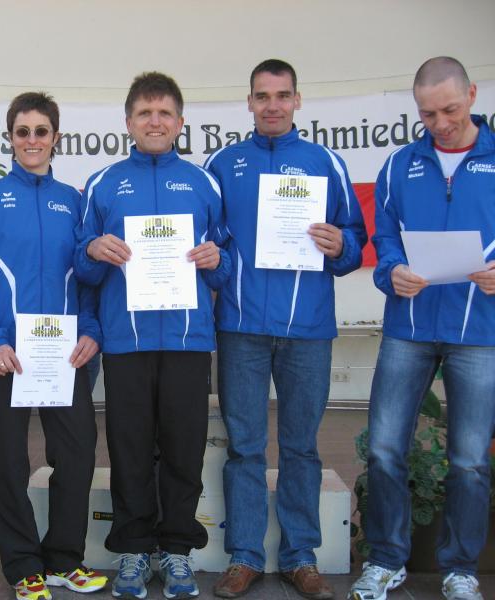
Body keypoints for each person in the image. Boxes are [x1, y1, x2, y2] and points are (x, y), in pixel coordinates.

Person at [204, 59, 367, 599]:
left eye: (281, 95)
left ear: (298, 100)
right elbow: (211, 243)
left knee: (301, 447)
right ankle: (245, 555)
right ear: (248, 102)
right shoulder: (222, 164)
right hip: (241, 328)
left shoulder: (326, 162)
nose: (272, 105)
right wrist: (218, 272)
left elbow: (354, 241)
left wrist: (341, 245)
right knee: (245, 448)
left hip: (308, 330)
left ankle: (301, 556)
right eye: (262, 96)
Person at [75, 71, 229, 600]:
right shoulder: (103, 183)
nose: (155, 122)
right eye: (145, 113)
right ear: (128, 122)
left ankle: (178, 550)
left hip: (188, 340)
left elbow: (227, 260)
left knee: (185, 449)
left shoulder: (205, 183)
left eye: (164, 113)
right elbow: (81, 265)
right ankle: (135, 550)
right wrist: (92, 250)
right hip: (126, 341)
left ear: (181, 122)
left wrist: (218, 259)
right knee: (130, 450)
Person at [348, 57, 494, 600]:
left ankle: (460, 569)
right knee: (385, 449)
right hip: (408, 328)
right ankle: (385, 560)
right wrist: (390, 271)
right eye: (428, 114)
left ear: (472, 95)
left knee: (470, 460)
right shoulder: (399, 165)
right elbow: (384, 238)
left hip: (479, 331)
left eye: (450, 109)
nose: (441, 123)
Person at [0, 91, 107, 600]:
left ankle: (64, 559)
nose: (32, 140)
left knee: (78, 453)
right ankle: (24, 566)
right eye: (22, 132)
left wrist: (91, 330)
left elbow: (87, 276)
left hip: (64, 353)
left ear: (55, 137)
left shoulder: (74, 200)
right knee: (8, 462)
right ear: (10, 138)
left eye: (41, 131)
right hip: (5, 355)